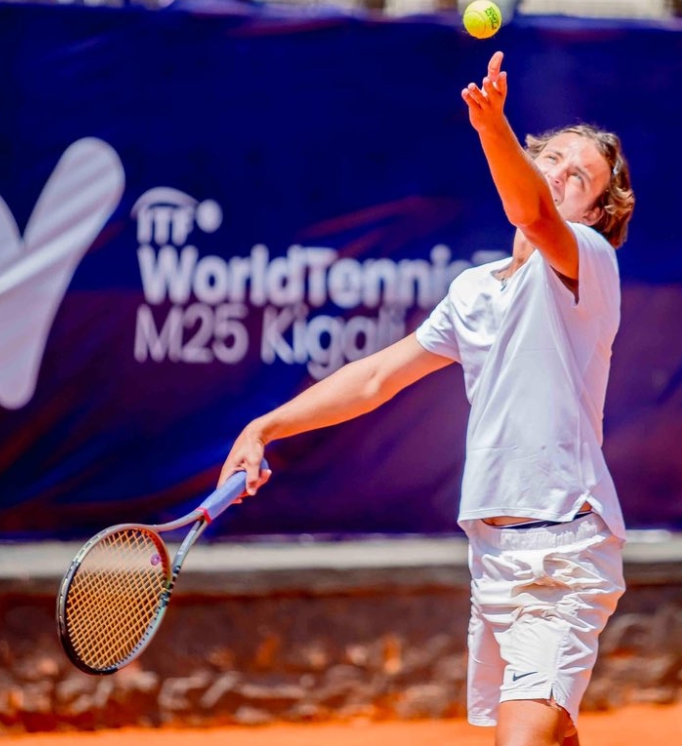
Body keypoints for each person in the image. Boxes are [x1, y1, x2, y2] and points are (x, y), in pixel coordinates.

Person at [218, 50, 636, 746]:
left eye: (579, 177)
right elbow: (377, 377)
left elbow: (533, 217)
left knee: (522, 738)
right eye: (553, 160)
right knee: (550, 731)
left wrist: (493, 127)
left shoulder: (590, 263)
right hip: (495, 554)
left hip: (564, 546)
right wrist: (268, 424)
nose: (560, 176)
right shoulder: (474, 291)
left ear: (597, 212)